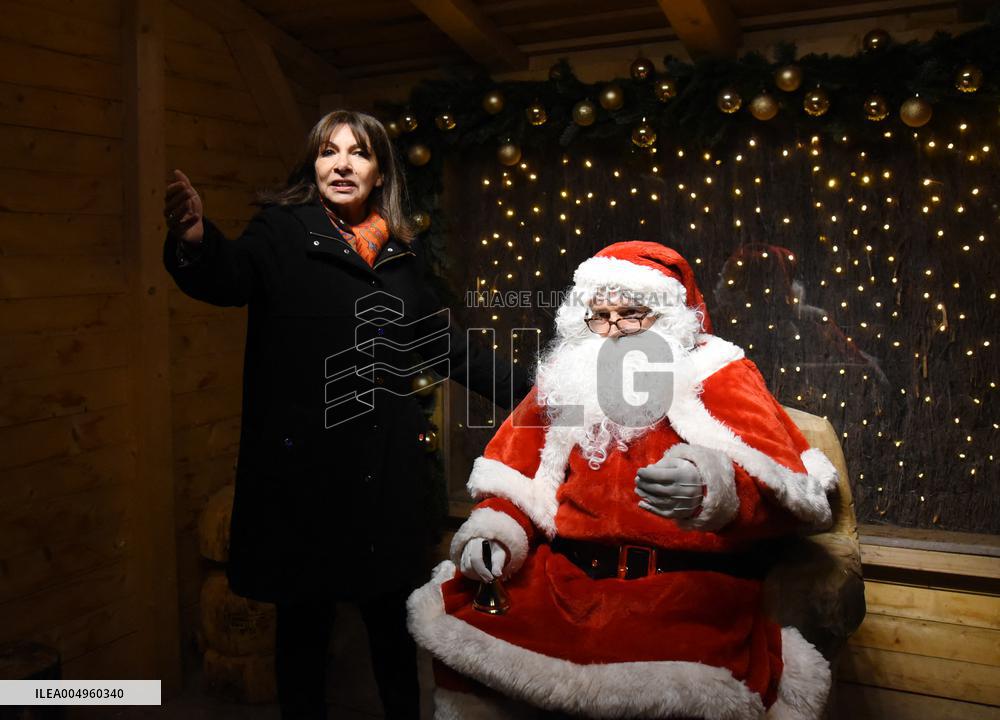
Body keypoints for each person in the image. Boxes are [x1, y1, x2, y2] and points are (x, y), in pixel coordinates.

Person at [163, 110, 525, 720]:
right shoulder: (281, 233)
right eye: (329, 152)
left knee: (391, 629)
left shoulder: (403, 263)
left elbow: (452, 352)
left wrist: (545, 390)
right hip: (304, 482)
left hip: (383, 482)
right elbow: (229, 276)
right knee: (303, 632)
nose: (342, 163)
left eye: (358, 153)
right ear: (313, 165)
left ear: (380, 170)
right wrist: (196, 239)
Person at [407, 241, 838, 719]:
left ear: (668, 316)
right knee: (462, 628)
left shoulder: (718, 375)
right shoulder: (570, 380)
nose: (612, 330)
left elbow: (790, 490)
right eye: (599, 315)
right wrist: (495, 533)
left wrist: (712, 490)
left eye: (630, 314)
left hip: (679, 590)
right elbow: (517, 472)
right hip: (564, 582)